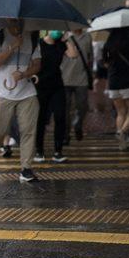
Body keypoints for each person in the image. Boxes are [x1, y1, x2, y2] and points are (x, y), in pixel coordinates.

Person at [0, 19, 41, 183]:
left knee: (28, 130)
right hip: (2, 92)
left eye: (19, 19)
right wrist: (13, 46)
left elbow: (37, 64)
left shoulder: (33, 37)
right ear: (7, 20)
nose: (16, 22)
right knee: (0, 130)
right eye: (12, 19)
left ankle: (26, 169)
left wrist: (23, 74)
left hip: (27, 92)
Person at [34, 31, 77, 163]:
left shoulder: (61, 44)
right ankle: (39, 151)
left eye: (60, 29)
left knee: (60, 117)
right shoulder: (39, 44)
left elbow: (74, 55)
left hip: (57, 86)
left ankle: (58, 152)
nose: (57, 31)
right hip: (40, 85)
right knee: (40, 119)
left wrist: (67, 39)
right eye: (55, 28)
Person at [103, 28, 129, 150]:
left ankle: (122, 144)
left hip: (114, 81)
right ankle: (122, 132)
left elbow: (105, 64)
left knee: (121, 112)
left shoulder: (108, 44)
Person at [61, 29, 93, 144]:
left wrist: (91, 75)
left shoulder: (88, 36)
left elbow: (90, 57)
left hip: (82, 78)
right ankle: (65, 134)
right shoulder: (63, 36)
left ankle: (78, 124)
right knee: (66, 109)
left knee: (82, 106)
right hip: (64, 78)